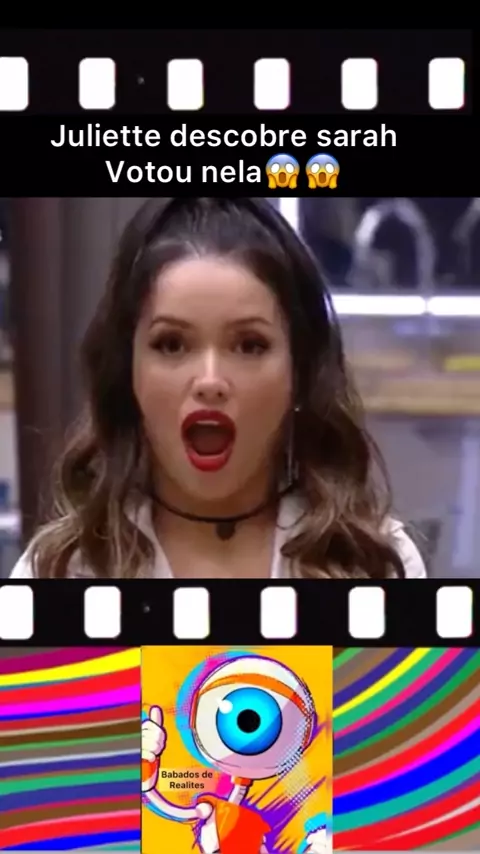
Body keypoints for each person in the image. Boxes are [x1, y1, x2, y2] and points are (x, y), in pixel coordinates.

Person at [10, 197, 426, 580]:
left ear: (299, 374)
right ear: (127, 371)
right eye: (171, 344)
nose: (210, 381)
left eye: (249, 345)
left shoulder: (374, 564)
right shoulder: (58, 571)